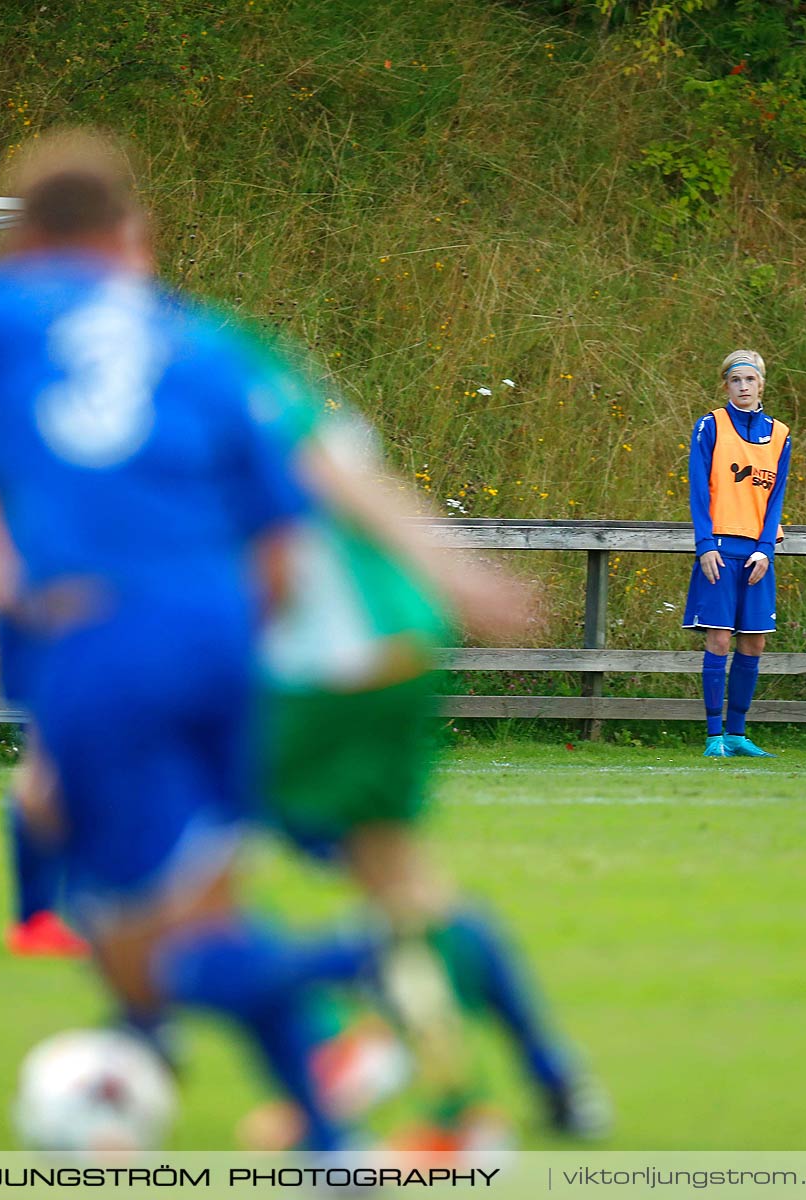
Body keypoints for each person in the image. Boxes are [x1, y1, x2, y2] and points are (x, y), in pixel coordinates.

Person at [0, 131, 374, 1152]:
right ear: (130, 234)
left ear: (24, 233)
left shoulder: (16, 306)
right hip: (225, 637)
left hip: (112, 645)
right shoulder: (203, 339)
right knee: (196, 911)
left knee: (137, 938)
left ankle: (366, 958)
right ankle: (330, 1138)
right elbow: (285, 539)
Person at [247, 376, 612, 1150]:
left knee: (186, 873)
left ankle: (352, 1058)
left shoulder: (188, 390)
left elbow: (290, 525)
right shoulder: (262, 376)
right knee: (404, 890)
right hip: (393, 640)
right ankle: (544, 1075)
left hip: (323, 666)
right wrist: (456, 576)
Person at [683, 348, 792, 758]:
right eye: (735, 380)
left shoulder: (780, 434)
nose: (743, 387)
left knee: (755, 643)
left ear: (761, 384)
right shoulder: (710, 426)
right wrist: (705, 544)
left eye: (750, 380)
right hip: (720, 548)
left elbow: (777, 497)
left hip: (758, 554)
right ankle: (714, 736)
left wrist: (766, 550)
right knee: (719, 638)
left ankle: (737, 734)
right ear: (725, 384)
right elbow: (698, 490)